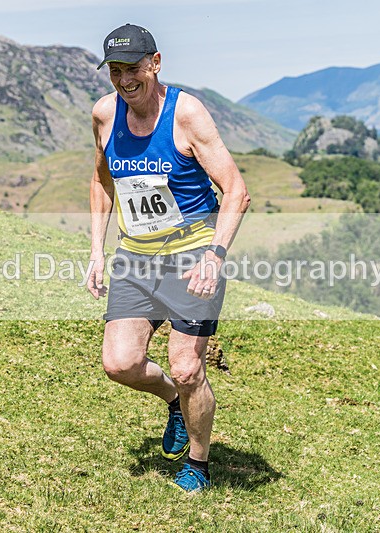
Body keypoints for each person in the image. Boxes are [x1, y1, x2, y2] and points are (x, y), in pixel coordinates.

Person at [87, 23, 250, 492]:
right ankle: (174, 402)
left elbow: (236, 190)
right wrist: (97, 250)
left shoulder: (187, 114)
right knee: (119, 363)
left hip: (192, 257)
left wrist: (215, 256)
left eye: (133, 69)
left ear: (155, 63)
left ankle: (197, 463)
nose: (124, 80)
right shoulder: (104, 114)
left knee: (186, 366)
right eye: (115, 71)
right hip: (136, 259)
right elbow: (101, 181)